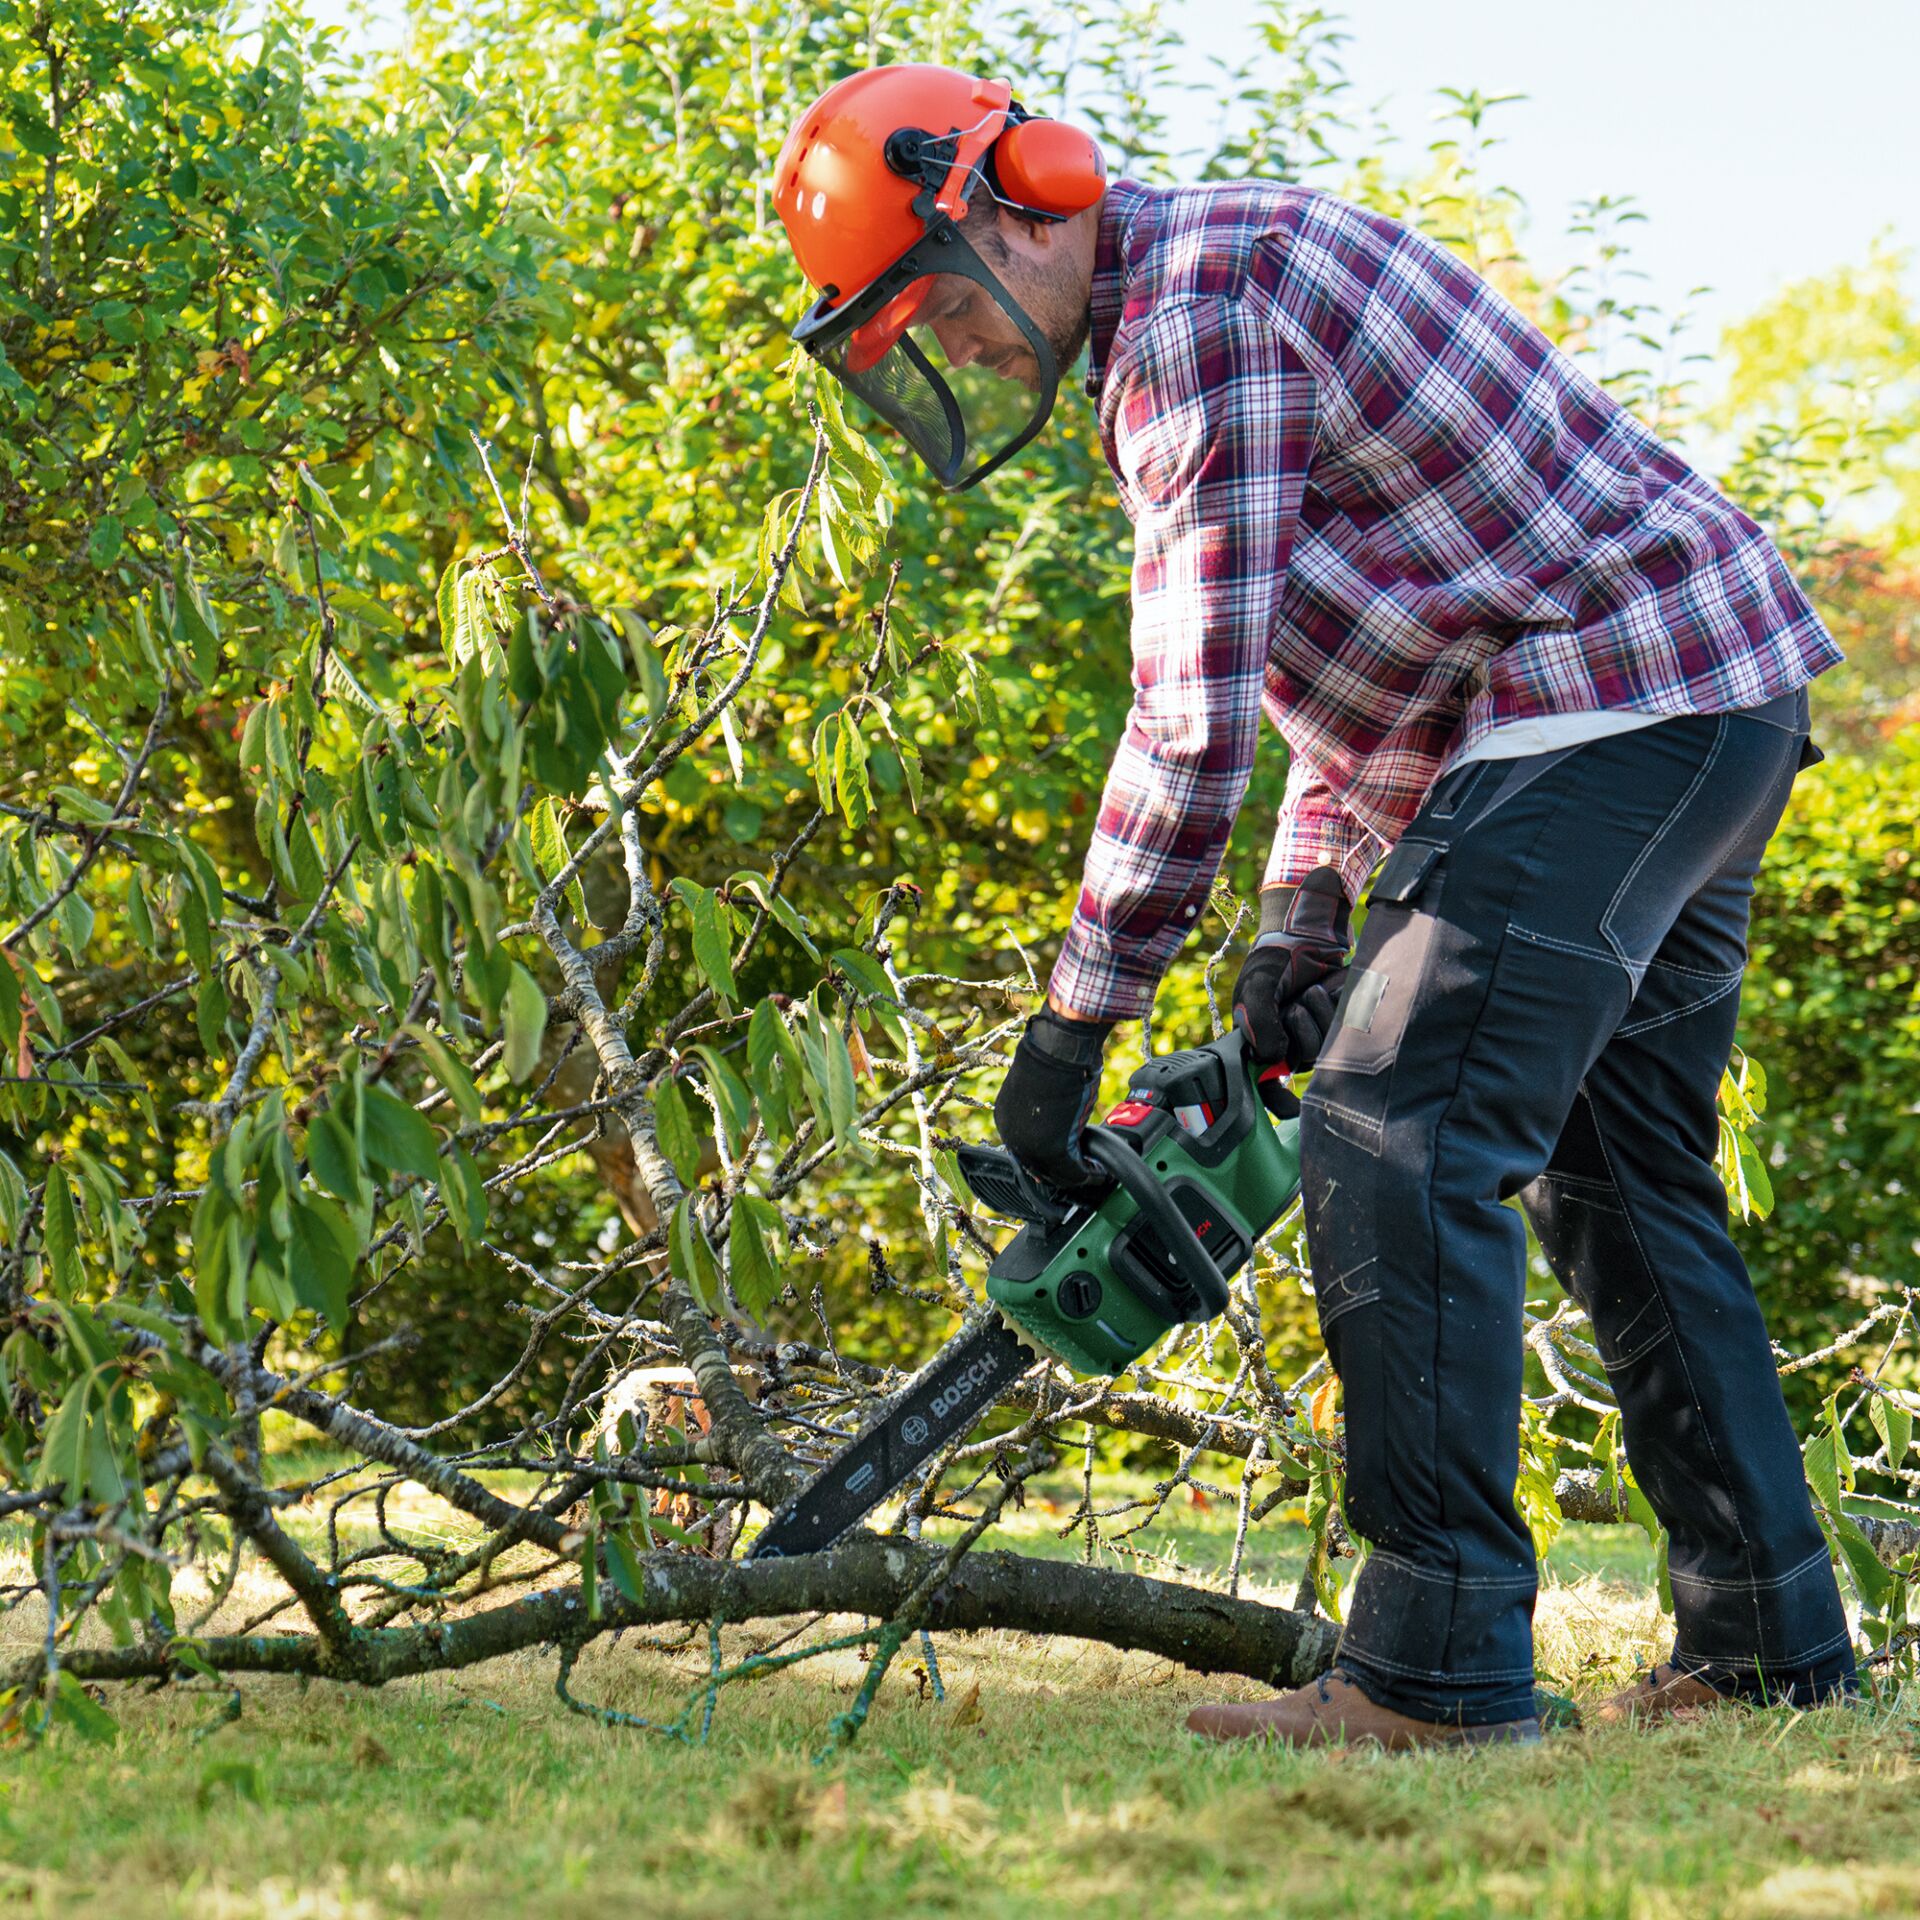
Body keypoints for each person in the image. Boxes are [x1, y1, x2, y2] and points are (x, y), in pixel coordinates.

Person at [772, 63, 1856, 1748]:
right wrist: (1302, 911)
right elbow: (1360, 676)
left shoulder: (1192, 319)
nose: (961, 352)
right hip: (1700, 691)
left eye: (940, 309)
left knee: (1394, 1130)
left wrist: (1078, 1022)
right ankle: (1770, 1644)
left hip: (1620, 695)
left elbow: (1190, 713)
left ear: (1005, 202)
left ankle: (1435, 1673)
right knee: (1620, 1176)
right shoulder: (1206, 297)